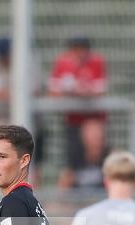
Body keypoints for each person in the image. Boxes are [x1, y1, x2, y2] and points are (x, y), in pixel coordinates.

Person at [0, 36, 46, 184]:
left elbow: (33, 90)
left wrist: (10, 94)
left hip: (29, 124)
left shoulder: (27, 61)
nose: (5, 59)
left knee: (30, 163)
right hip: (2, 123)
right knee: (3, 162)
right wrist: (12, 94)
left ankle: (30, 195)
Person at [48, 36, 108, 191]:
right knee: (71, 168)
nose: (80, 54)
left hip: (92, 117)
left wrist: (81, 91)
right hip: (73, 121)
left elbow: (99, 90)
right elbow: (54, 90)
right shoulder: (63, 62)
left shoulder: (96, 62)